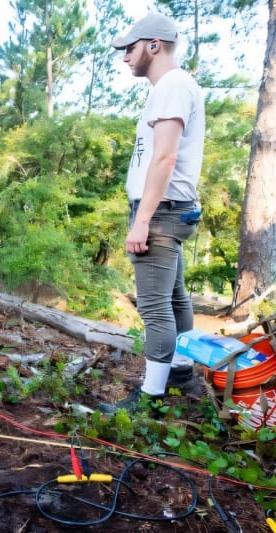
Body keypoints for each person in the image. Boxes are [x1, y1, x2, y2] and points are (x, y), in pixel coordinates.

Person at [99, 13, 205, 414]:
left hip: (159, 211)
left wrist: (142, 220)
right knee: (175, 298)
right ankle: (180, 371)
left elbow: (165, 158)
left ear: (154, 45)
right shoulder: (175, 86)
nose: (126, 57)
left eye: (131, 48)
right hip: (171, 208)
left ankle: (151, 397)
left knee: (154, 306)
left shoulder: (172, 86)